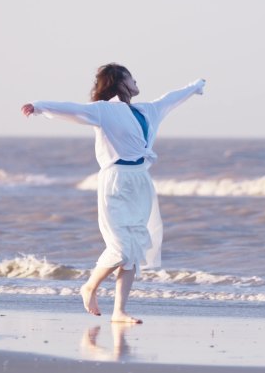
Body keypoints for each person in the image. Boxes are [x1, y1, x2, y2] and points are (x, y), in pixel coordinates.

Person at [21, 63, 205, 323]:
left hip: (141, 182)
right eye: (131, 77)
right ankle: (89, 287)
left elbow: (171, 99)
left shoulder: (147, 110)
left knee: (134, 251)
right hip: (115, 180)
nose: (136, 81)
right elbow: (73, 109)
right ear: (120, 82)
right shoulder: (105, 111)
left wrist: (195, 87)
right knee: (120, 248)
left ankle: (119, 311)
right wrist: (38, 105)